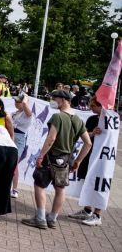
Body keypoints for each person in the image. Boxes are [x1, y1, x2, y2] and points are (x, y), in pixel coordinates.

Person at [22, 89, 91, 230]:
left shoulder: (58, 117)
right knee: (60, 188)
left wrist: (41, 155)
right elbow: (88, 143)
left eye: (55, 98)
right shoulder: (78, 120)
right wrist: (78, 160)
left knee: (40, 185)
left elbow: (51, 138)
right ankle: (52, 218)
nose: (53, 101)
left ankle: (40, 218)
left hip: (51, 157)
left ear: (64, 100)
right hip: (66, 159)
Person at [68, 98, 104, 226]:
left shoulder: (110, 121)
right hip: (89, 155)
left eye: (93, 105)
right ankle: (87, 209)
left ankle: (97, 214)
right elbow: (85, 135)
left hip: (102, 158)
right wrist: (93, 133)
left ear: (101, 106)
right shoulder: (92, 119)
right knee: (86, 181)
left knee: (99, 184)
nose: (91, 108)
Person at [10, 94, 33, 198]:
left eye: (18, 101)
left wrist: (25, 98)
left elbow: (25, 105)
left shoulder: (27, 114)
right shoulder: (13, 113)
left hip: (19, 139)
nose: (16, 103)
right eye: (15, 101)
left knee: (14, 164)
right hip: (10, 137)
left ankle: (15, 189)